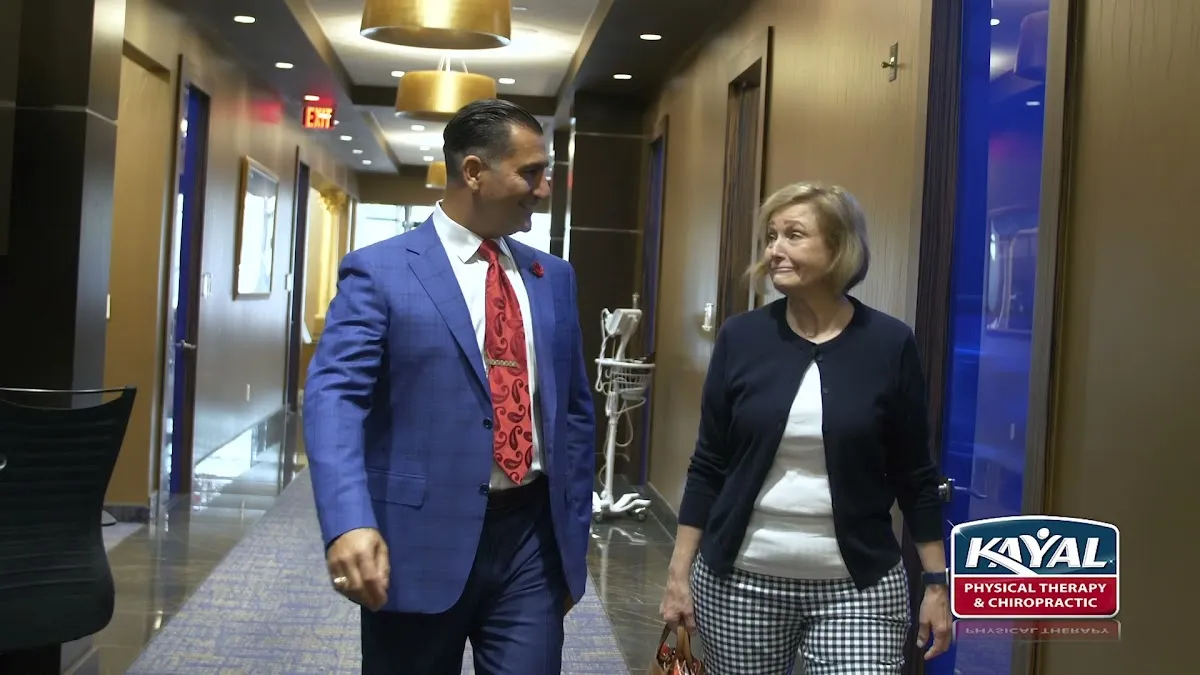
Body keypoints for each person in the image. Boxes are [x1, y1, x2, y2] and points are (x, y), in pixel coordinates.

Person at [304, 99, 596, 675]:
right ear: (474, 171)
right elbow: (334, 399)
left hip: (531, 541)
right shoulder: (380, 270)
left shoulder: (553, 278)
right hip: (417, 539)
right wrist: (348, 520)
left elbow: (574, 415)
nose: (543, 190)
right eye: (530, 173)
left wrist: (573, 541)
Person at [658, 182, 952, 674]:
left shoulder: (889, 344)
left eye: (793, 235)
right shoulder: (742, 337)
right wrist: (678, 573)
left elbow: (915, 475)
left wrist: (936, 584)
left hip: (858, 587)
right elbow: (709, 463)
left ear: (839, 248)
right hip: (740, 584)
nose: (775, 250)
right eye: (771, 236)